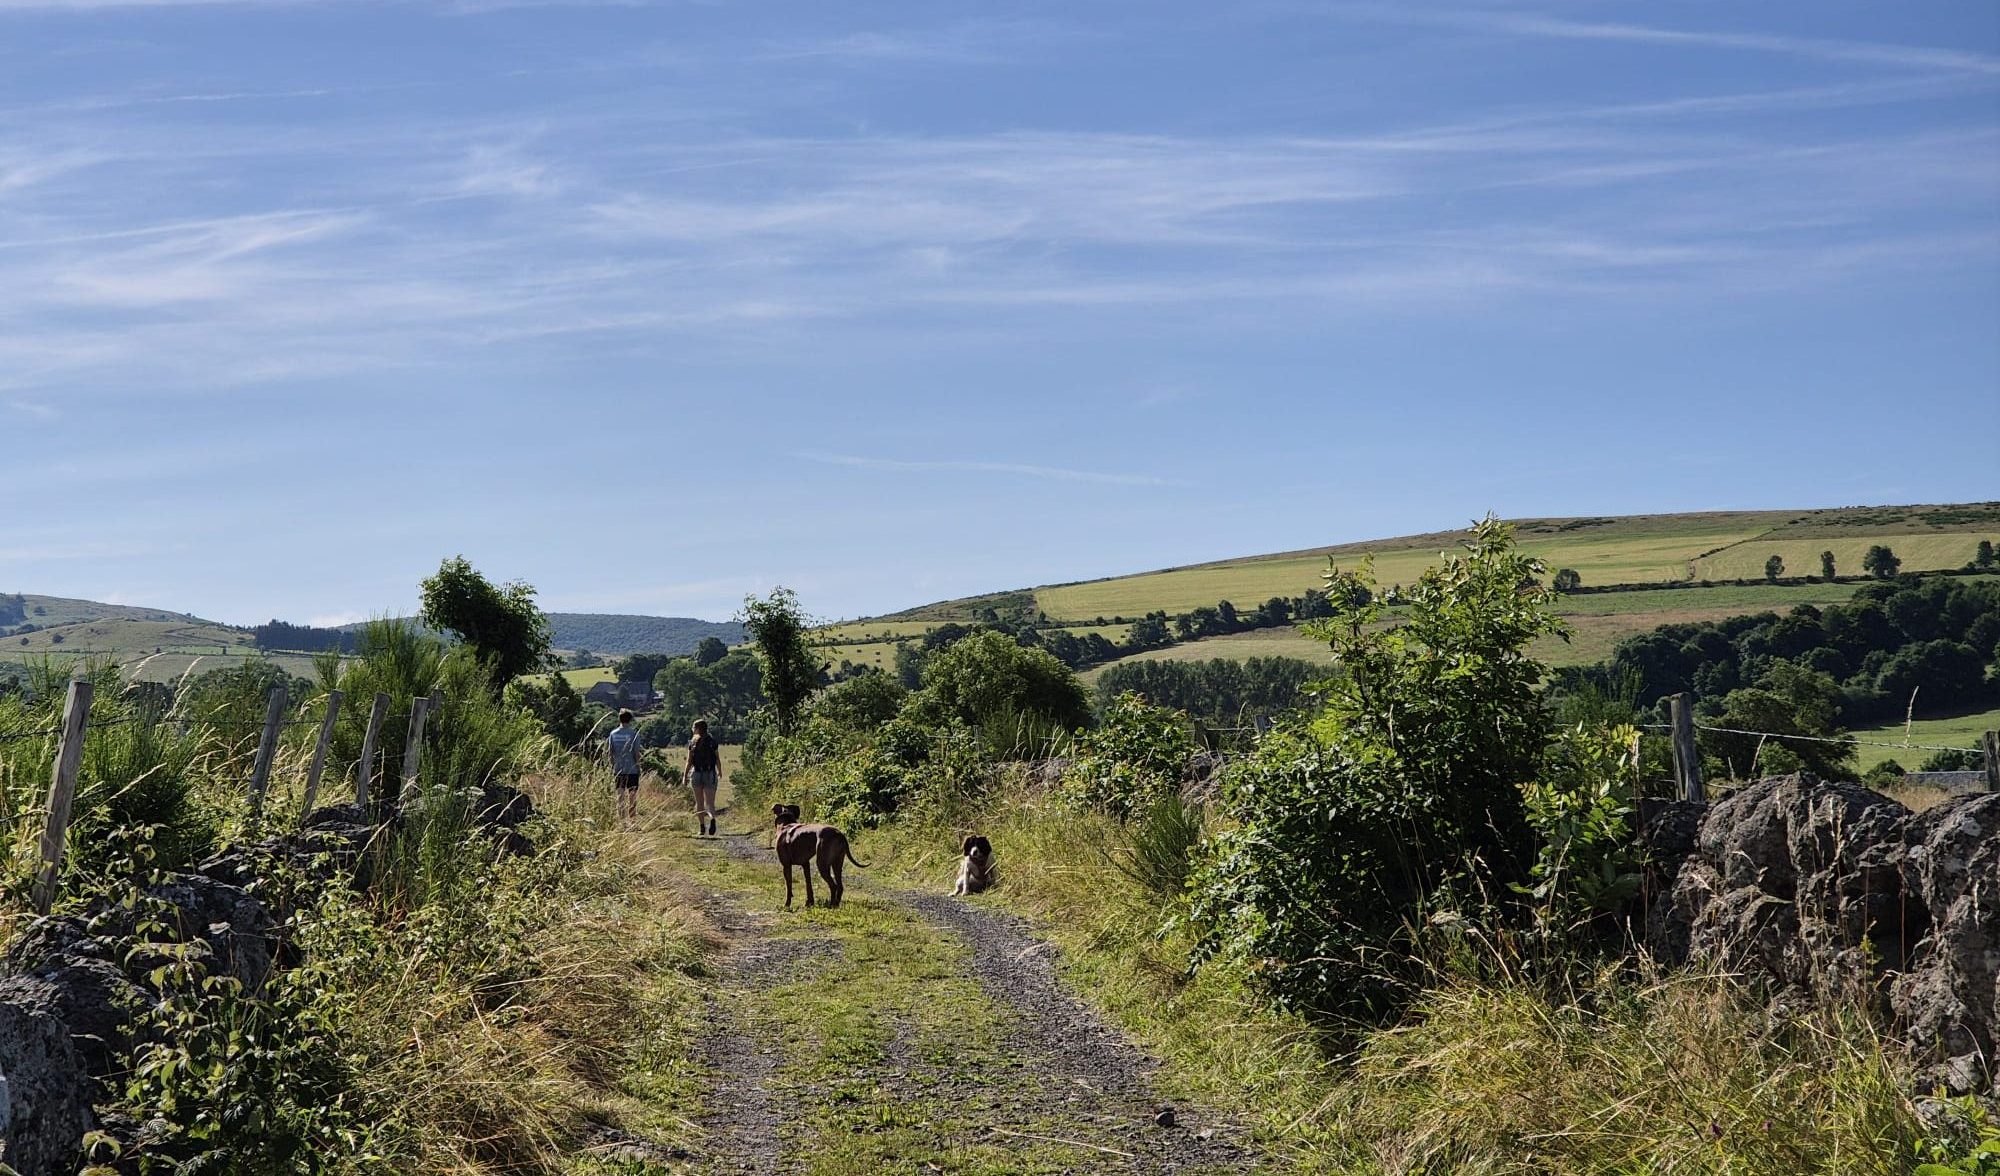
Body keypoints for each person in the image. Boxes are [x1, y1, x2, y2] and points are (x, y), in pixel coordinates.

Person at [687, 719, 721, 836]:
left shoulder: (693, 742)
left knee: (699, 802)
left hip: (696, 773)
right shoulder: (712, 741)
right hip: (710, 773)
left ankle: (702, 827)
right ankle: (712, 818)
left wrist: (685, 775)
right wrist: (719, 771)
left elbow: (689, 761)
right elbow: (717, 758)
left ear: (697, 729)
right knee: (710, 803)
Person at [607, 709, 642, 821]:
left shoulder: (613, 734)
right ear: (630, 719)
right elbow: (636, 753)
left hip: (618, 769)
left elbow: (610, 752)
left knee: (620, 796)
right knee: (632, 796)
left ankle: (622, 822)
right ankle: (632, 821)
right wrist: (638, 767)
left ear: (619, 719)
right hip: (631, 769)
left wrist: (612, 765)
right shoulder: (634, 734)